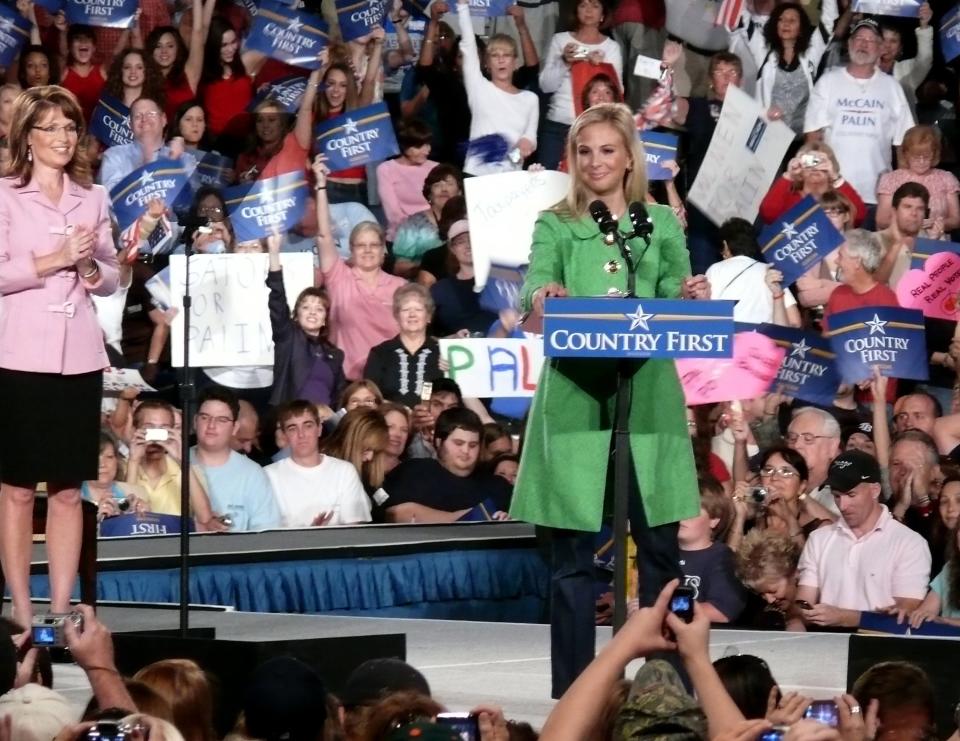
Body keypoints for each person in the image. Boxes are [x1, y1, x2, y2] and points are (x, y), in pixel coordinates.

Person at [511, 103, 709, 698]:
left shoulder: (659, 223)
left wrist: (693, 292)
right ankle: (577, 689)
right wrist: (546, 294)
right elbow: (532, 293)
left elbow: (675, 288)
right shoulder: (555, 222)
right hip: (576, 397)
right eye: (585, 150)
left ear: (628, 158)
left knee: (658, 548)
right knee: (572, 555)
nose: (595, 161)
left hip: (646, 394)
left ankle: (663, 685)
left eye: (607, 150)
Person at [0, 85, 119, 626]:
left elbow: (112, 277)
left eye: (71, 128)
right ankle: (23, 615)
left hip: (78, 359)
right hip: (19, 357)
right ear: (27, 136)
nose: (64, 138)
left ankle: (62, 610)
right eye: (52, 128)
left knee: (70, 490)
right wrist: (54, 258)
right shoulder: (4, 195)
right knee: (19, 491)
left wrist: (91, 267)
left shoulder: (92, 198)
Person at [795, 450, 931, 629]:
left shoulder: (909, 544)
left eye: (851, 495)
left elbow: (903, 613)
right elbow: (803, 601)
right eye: (836, 496)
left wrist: (845, 617)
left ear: (874, 490)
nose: (843, 505)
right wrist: (803, 612)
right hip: (825, 643)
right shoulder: (818, 539)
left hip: (881, 648)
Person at [803, 18, 914, 210]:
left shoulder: (892, 87)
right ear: (849, 43)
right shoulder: (828, 82)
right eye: (859, 38)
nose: (863, 44)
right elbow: (812, 139)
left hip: (877, 196)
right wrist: (815, 187)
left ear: (880, 48)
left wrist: (901, 194)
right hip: (832, 195)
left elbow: (903, 145)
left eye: (871, 40)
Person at [313, 156, 406, 380]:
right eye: (360, 245)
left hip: (388, 382)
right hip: (346, 382)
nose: (367, 250)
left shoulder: (401, 288)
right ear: (351, 250)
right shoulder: (338, 277)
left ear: (384, 249)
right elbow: (324, 235)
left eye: (374, 245)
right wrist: (321, 186)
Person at [383, 407, 512, 522]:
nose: (466, 451)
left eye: (473, 445)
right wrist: (469, 518)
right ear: (439, 442)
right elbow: (392, 514)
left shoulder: (498, 486)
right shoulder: (412, 472)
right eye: (458, 443)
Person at [537, 0, 622, 170]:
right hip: (558, 124)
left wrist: (600, 68)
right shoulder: (560, 40)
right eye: (583, 5)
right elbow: (545, 85)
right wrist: (564, 62)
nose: (589, 10)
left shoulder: (611, 47)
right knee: (547, 184)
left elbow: (617, 91)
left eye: (595, 6)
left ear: (603, 15)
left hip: (592, 127)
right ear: (576, 11)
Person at [734, 0, 839, 136]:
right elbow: (744, 20)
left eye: (792, 20)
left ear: (801, 28)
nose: (786, 23)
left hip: (801, 139)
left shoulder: (811, 53)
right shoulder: (763, 51)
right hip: (767, 137)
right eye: (781, 19)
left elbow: (829, 21)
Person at [456, 0, 538, 175]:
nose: (501, 60)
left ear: (515, 62)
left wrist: (524, 144)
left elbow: (530, 137)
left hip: (510, 178)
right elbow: (469, 46)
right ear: (487, 63)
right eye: (495, 55)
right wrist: (463, 7)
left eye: (506, 55)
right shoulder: (479, 87)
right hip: (475, 175)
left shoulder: (530, 99)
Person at [267, 233, 345, 408]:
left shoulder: (335, 355)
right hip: (292, 419)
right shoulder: (288, 338)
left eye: (319, 309)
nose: (312, 312)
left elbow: (339, 398)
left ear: (325, 318)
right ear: (296, 314)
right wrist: (274, 254)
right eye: (306, 307)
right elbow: (278, 303)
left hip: (324, 426)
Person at [264, 400, 372, 527]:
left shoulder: (344, 471)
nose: (301, 434)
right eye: (292, 428)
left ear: (319, 429)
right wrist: (311, 534)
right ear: (284, 435)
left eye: (308, 425)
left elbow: (354, 529)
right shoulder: (268, 476)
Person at [191, 387, 281, 531]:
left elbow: (267, 535)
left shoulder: (253, 474)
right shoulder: (173, 462)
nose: (212, 426)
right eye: (205, 417)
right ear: (195, 422)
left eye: (222, 420)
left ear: (234, 427)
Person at [125, 400, 220, 528]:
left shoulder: (187, 470)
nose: (156, 436)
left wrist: (181, 460)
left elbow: (205, 518)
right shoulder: (121, 467)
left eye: (163, 429)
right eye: (149, 428)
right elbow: (126, 519)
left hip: (176, 545)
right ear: (134, 430)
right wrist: (133, 461)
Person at [705, 217, 800, 326]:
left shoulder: (715, 270)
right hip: (765, 341)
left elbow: (706, 316)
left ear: (725, 245)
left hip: (730, 339)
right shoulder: (771, 271)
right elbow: (795, 322)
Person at [678, 477, 746, 623]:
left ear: (714, 520)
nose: (681, 516)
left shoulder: (722, 558)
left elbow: (722, 611)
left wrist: (662, 609)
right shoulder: (659, 553)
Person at [364, 284, 443, 407]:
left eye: (418, 309)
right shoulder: (380, 352)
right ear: (397, 317)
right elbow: (369, 397)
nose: (412, 315)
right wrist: (400, 411)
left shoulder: (442, 351)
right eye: (405, 310)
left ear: (428, 317)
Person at [99, 96, 198, 194]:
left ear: (163, 119)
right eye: (137, 116)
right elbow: (112, 198)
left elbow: (190, 204)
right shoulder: (114, 156)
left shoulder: (186, 160)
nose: (144, 119)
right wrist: (147, 161)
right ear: (130, 125)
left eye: (151, 114)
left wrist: (173, 162)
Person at [758, 142, 867, 226]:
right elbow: (768, 215)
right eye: (810, 161)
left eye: (820, 161)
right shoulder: (790, 194)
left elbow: (858, 218)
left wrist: (834, 176)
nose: (815, 167)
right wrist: (790, 175)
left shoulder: (837, 196)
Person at [875, 125, 960, 233]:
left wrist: (939, 223)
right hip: (898, 242)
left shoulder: (946, 178)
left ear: (934, 154)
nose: (921, 162)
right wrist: (913, 223)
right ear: (906, 154)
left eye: (926, 156)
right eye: (916, 157)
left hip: (937, 241)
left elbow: (956, 220)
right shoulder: (891, 179)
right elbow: (882, 220)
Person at [145, 0, 215, 121]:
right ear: (151, 51)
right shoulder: (144, 77)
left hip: (183, 138)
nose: (164, 51)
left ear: (178, 50)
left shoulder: (189, 74)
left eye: (170, 46)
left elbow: (198, 32)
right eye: (158, 46)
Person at [429, 217, 496, 337]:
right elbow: (427, 337)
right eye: (460, 241)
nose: (468, 245)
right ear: (452, 248)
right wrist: (451, 338)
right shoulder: (440, 290)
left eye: (472, 239)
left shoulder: (501, 283)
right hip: (457, 353)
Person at [391, 163, 462, 276]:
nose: (444, 189)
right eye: (437, 185)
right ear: (429, 194)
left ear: (459, 191)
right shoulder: (412, 224)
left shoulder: (470, 220)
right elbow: (399, 268)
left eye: (449, 184)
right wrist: (428, 266)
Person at [376, 119, 438, 242]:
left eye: (428, 144)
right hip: (402, 236)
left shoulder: (436, 168)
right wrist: (415, 231)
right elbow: (394, 214)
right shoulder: (386, 169)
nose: (427, 151)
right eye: (419, 146)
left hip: (435, 233)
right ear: (404, 146)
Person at [874, 183, 944, 289]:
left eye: (920, 209)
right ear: (894, 211)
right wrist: (896, 245)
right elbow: (874, 285)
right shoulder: (874, 240)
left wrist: (931, 244)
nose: (914, 213)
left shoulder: (935, 240)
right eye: (907, 207)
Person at [735, 529, 805, 631]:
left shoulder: (821, 601)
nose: (770, 600)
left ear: (794, 573)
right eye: (762, 594)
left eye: (773, 591)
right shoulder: (762, 615)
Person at [321, 407, 390, 496]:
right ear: (351, 441)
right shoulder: (321, 470)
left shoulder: (366, 476)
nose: (370, 457)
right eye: (367, 449)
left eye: (376, 452)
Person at [83, 431, 148, 519]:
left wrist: (147, 518)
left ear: (117, 460)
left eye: (109, 457)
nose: (102, 464)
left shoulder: (139, 493)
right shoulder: (70, 497)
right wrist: (94, 520)